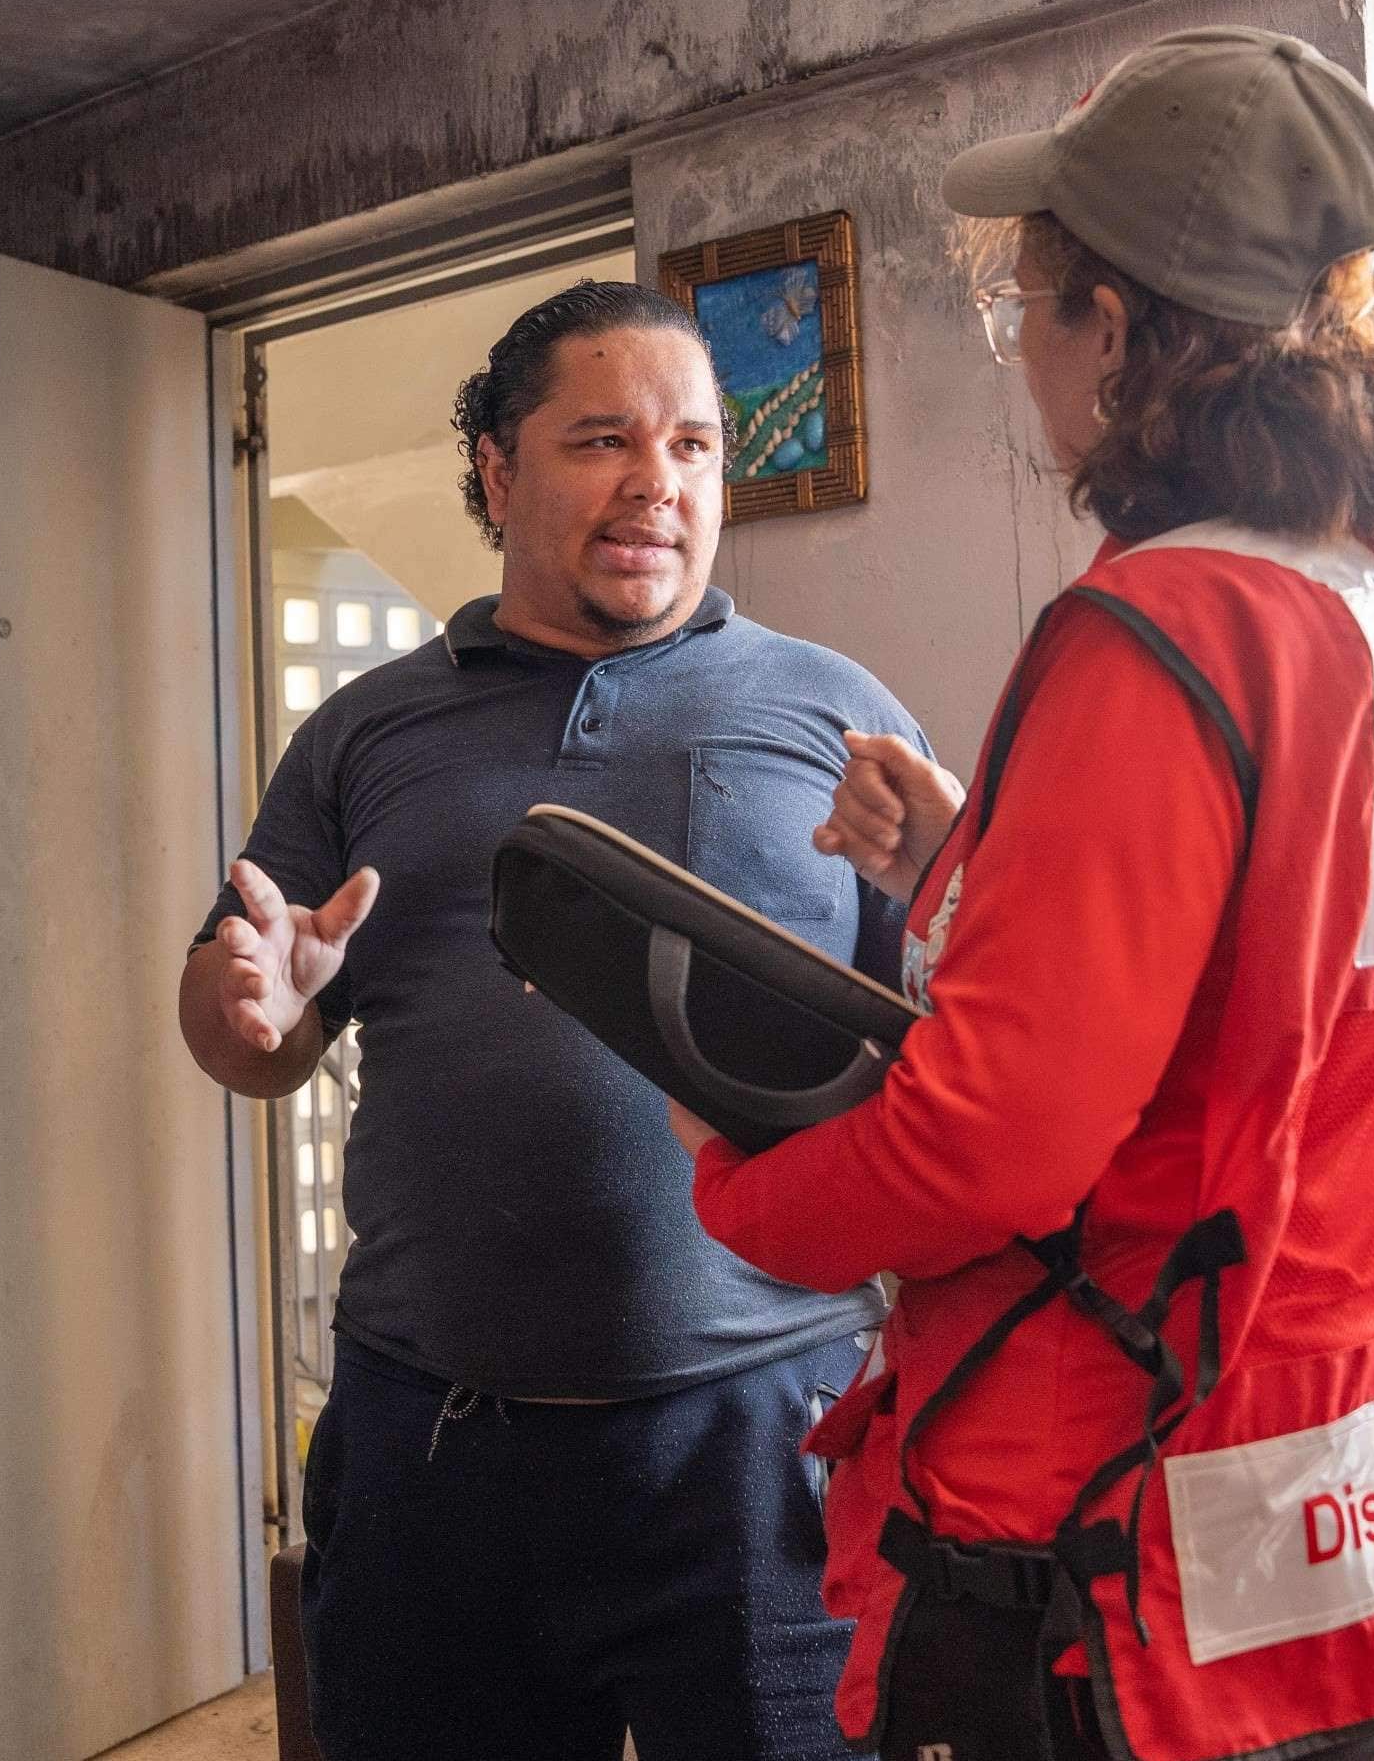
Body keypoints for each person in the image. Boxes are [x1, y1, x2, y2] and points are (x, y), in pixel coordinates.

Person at [681, 28, 1374, 1761]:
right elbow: (1284, 972)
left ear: (1116, 331)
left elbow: (988, 1148)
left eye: (1030, 307)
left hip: (1117, 1543)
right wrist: (973, 859)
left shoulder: (1157, 632)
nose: (1027, 356)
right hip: (1359, 1500)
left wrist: (739, 1190)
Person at [179, 280, 927, 1761]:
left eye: (698, 448)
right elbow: (241, 1035)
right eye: (603, 441)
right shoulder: (367, 729)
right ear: (497, 472)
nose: (660, 483)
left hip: (767, 1436)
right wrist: (248, 1001)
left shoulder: (836, 712)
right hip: (436, 1448)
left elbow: (954, 1044)